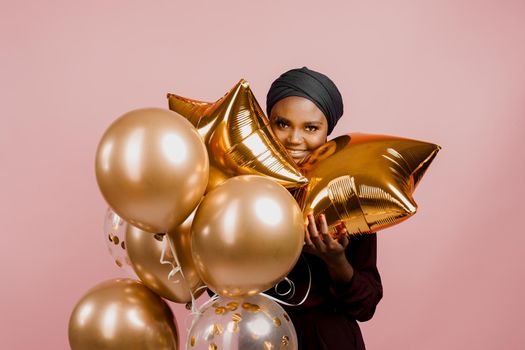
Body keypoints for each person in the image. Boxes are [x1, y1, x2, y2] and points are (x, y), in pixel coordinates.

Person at [265, 67, 383, 350]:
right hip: (255, 337)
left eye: (310, 127)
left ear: (328, 135)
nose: (294, 139)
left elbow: (366, 306)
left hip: (327, 341)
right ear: (265, 125)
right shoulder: (241, 189)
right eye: (282, 123)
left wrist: (335, 260)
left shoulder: (348, 197)